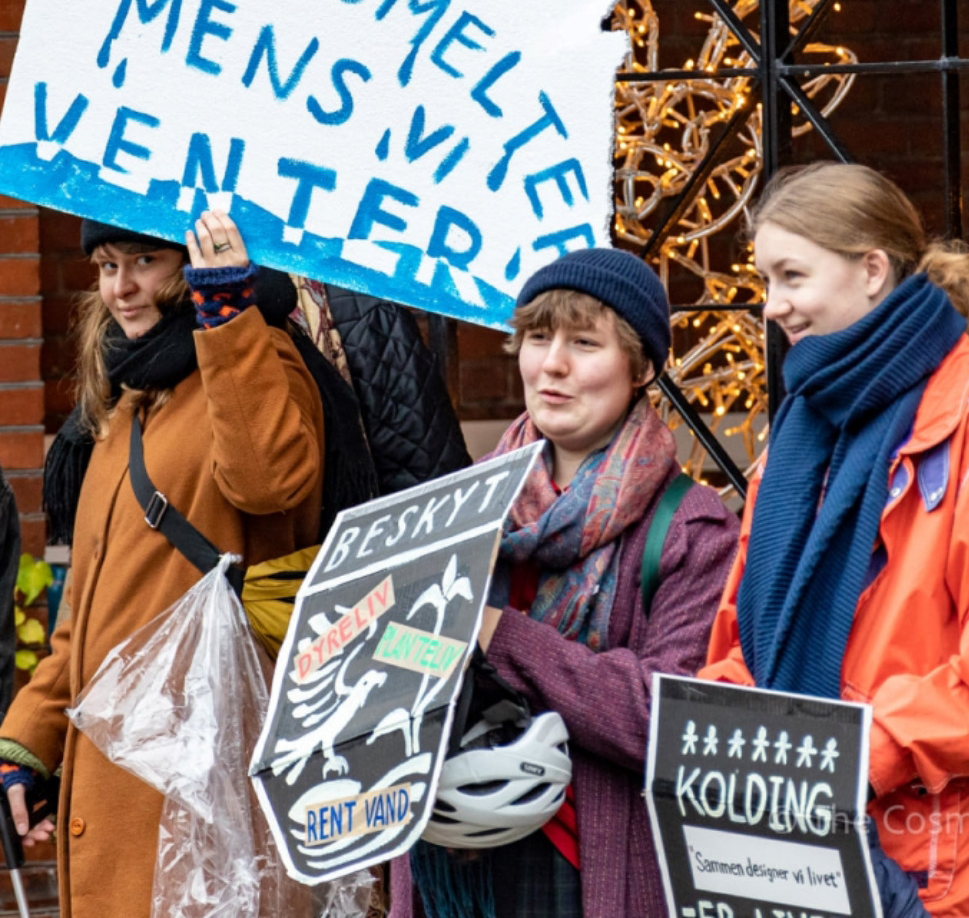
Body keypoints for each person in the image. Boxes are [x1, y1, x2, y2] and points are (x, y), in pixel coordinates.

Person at [702, 162, 969, 917]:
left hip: (929, 874)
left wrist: (841, 756)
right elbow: (743, 634)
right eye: (766, 280)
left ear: (872, 269)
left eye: (792, 276)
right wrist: (717, 736)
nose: (773, 305)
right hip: (782, 855)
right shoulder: (799, 435)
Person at [0, 210, 373, 918]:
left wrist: (227, 316)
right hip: (123, 783)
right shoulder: (131, 400)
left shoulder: (258, 359)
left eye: (144, 262)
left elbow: (270, 482)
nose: (122, 289)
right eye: (108, 267)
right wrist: (29, 738)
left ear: (197, 258)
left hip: (208, 805)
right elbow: (89, 610)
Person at [392, 247, 739, 918]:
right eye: (538, 337)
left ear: (640, 369)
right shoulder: (457, 510)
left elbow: (664, 718)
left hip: (582, 875)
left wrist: (501, 637)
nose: (552, 364)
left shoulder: (693, 531)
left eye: (584, 342)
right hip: (450, 863)